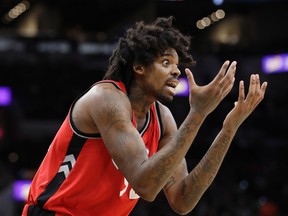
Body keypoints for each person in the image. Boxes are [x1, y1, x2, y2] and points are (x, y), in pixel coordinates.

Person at [22, 16, 267, 216]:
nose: (176, 70)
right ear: (139, 67)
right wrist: (198, 113)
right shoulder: (105, 98)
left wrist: (228, 129)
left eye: (177, 64)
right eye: (166, 62)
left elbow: (183, 200)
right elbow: (146, 185)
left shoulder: (162, 118)